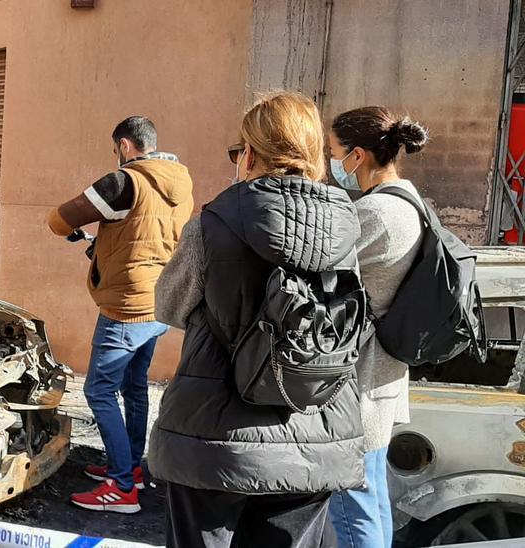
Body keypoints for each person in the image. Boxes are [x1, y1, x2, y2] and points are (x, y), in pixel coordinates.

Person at [149, 91, 366, 547]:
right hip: (315, 427)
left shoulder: (215, 221)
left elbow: (169, 305)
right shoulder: (348, 226)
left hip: (214, 436)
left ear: (250, 154)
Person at [47, 116, 194, 513]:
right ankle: (131, 466)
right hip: (157, 303)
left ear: (125, 146)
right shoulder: (180, 182)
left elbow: (60, 219)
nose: (117, 156)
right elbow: (145, 236)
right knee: (134, 386)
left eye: (117, 150)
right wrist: (102, 242)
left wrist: (79, 229)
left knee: (98, 389)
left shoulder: (124, 182)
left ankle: (121, 487)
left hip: (125, 307)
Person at [326, 106, 428, 548]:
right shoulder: (409, 200)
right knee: (373, 498)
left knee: (352, 507)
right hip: (383, 375)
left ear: (358, 156)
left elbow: (321, 273)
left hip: (360, 381)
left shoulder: (375, 213)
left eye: (333, 152)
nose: (330, 163)